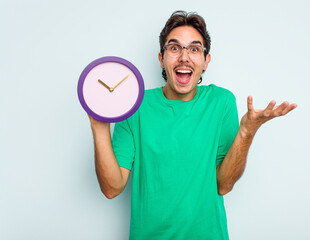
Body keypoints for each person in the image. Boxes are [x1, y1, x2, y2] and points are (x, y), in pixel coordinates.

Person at [88, 10, 297, 240]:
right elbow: (111, 188)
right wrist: (99, 127)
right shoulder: (135, 106)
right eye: (174, 48)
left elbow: (224, 185)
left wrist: (247, 131)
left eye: (194, 49)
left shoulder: (221, 102)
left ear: (206, 61)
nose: (184, 57)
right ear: (161, 57)